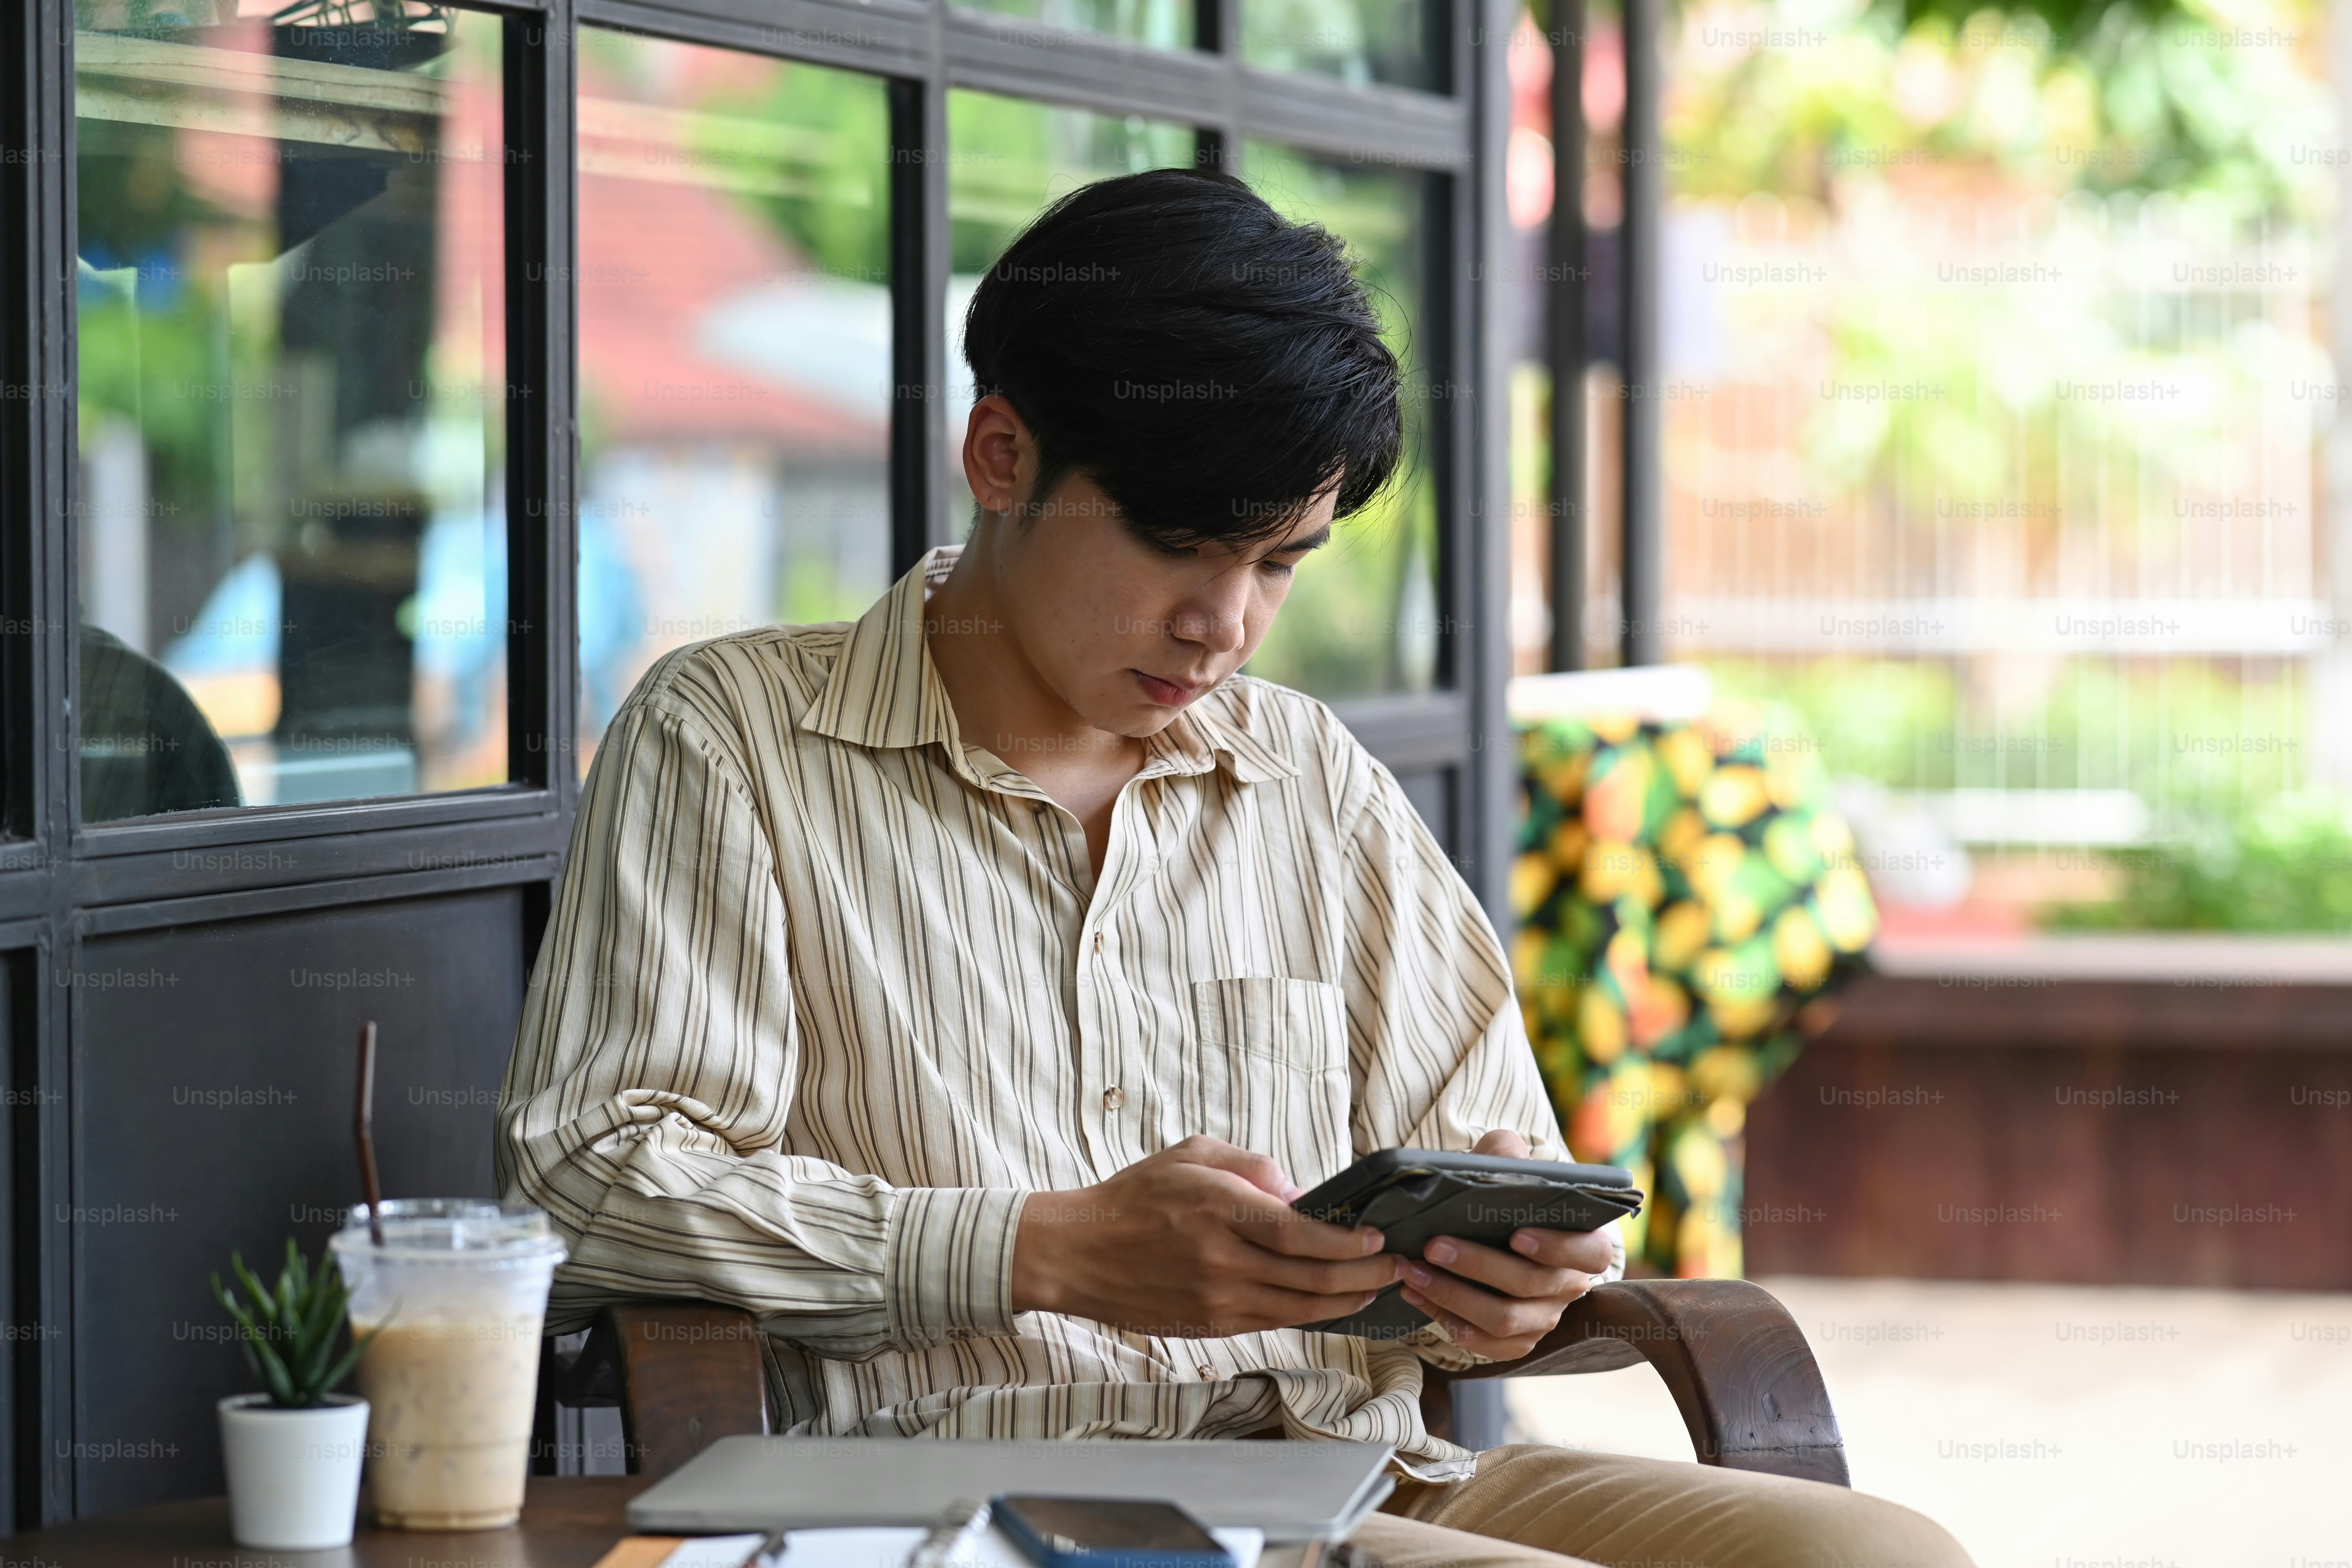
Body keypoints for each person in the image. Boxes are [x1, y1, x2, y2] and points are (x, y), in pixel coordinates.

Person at [496, 168, 1971, 1568]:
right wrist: (1039, 1252)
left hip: (1352, 1460)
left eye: (1281, 562)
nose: (1227, 624)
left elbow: (1487, 1186)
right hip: (977, 1488)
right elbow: (593, 1179)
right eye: (1181, 543)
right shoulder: (736, 739)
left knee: (1885, 1554)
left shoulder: (1305, 774)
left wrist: (1509, 1283)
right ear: (999, 454)